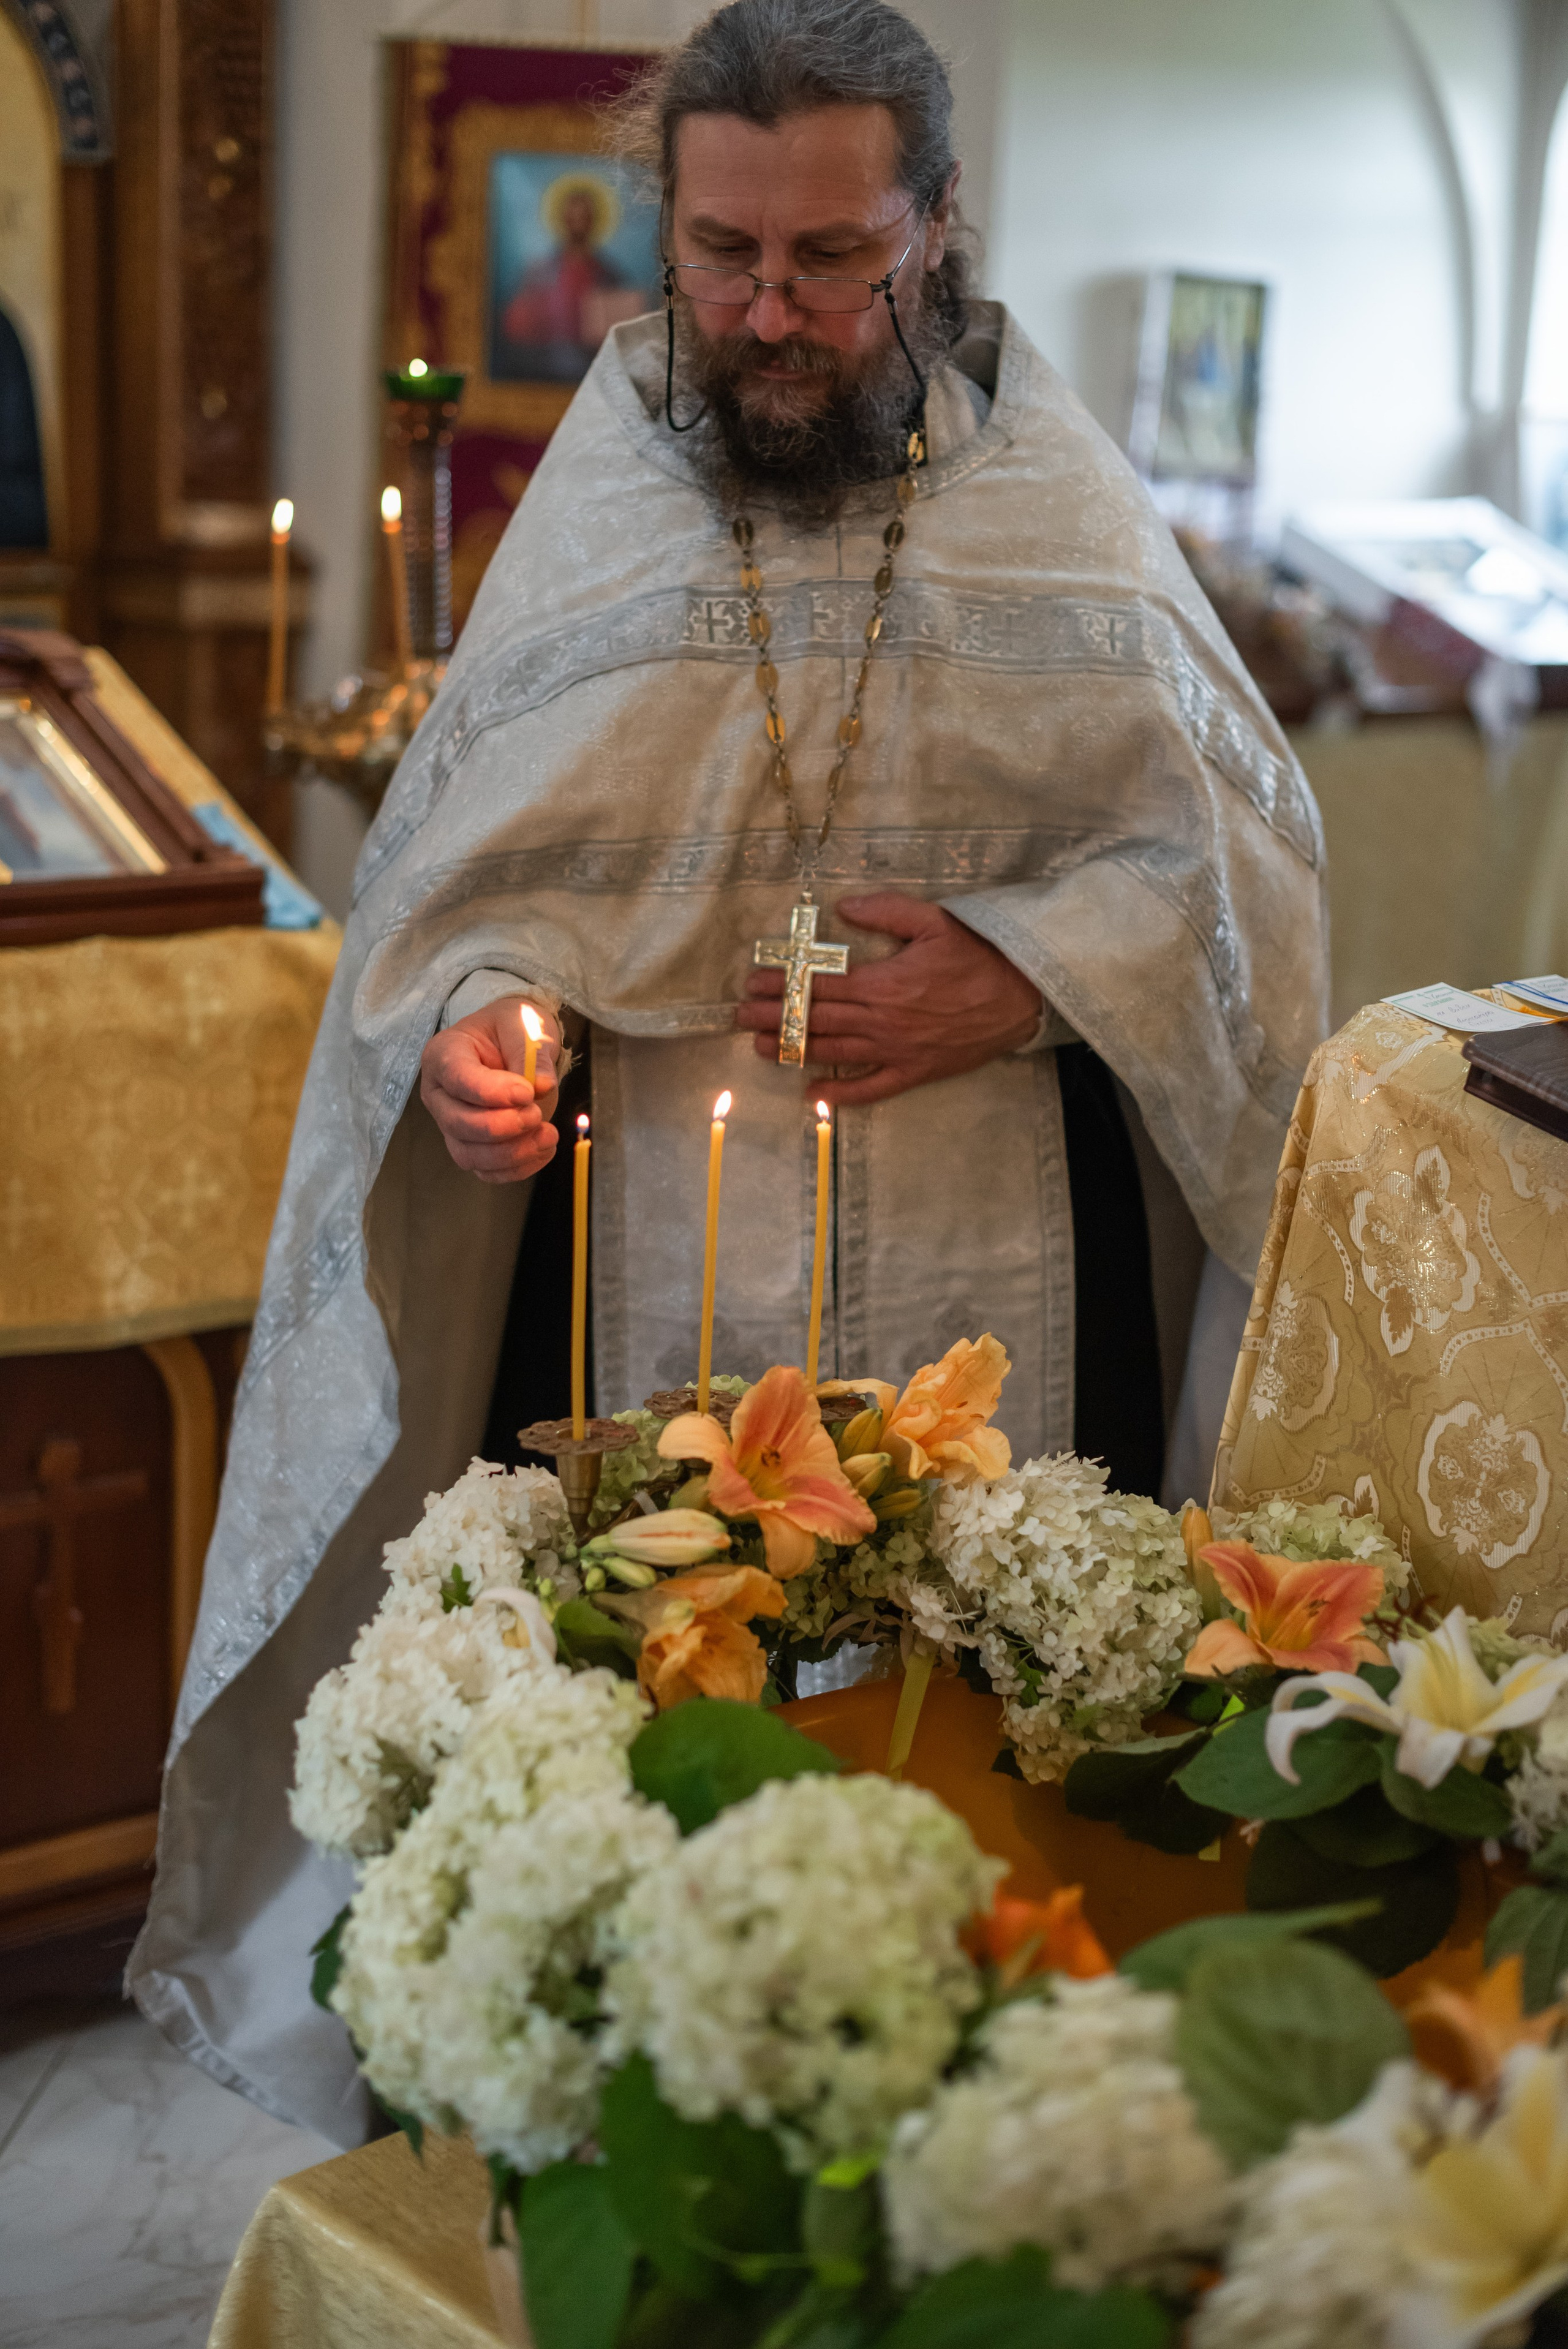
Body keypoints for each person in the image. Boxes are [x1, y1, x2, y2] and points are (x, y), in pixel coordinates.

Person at [130, 0, 1327, 2143]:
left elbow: (1238, 862)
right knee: (658, 1689)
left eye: (831, 261)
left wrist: (1032, 972)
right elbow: (464, 886)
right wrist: (482, 1028)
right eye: (720, 255)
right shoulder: (601, 499)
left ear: (938, 231)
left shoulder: (1056, 501)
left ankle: (1001, 2069)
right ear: (666, 228)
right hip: (652, 1237)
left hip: (1008, 1237)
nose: (768, 316)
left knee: (990, 1732)